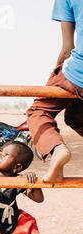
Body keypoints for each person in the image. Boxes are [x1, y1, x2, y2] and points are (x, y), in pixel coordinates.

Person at [26, 0, 83, 183]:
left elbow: (67, 49)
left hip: (78, 73)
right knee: (74, 115)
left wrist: (56, 75)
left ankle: (57, 149)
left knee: (38, 111)